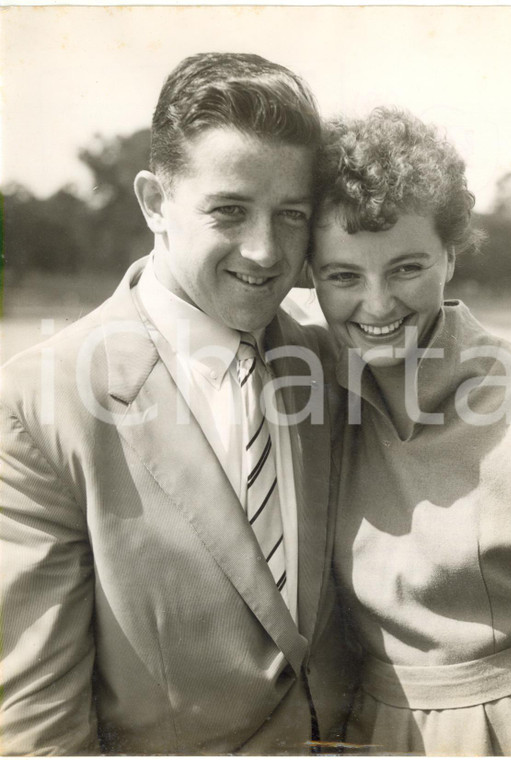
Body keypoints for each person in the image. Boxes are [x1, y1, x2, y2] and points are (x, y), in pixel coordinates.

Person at [0, 52, 353, 755]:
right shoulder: (39, 401)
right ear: (154, 202)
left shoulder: (338, 344)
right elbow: (36, 722)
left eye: (290, 216)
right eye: (229, 210)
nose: (264, 251)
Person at [310, 107, 511, 756]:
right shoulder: (306, 398)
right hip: (367, 731)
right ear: (310, 276)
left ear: (450, 253)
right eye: (343, 276)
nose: (378, 305)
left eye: (407, 267)